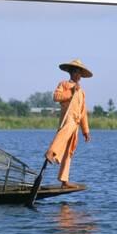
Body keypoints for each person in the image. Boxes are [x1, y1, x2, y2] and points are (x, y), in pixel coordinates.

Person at [45, 59, 92, 189]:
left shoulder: (81, 92)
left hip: (76, 122)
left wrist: (85, 131)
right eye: (76, 72)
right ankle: (51, 152)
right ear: (71, 73)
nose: (78, 75)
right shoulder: (64, 84)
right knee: (62, 135)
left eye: (80, 73)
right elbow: (56, 97)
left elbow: (83, 113)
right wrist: (71, 92)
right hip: (68, 118)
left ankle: (64, 179)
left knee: (69, 151)